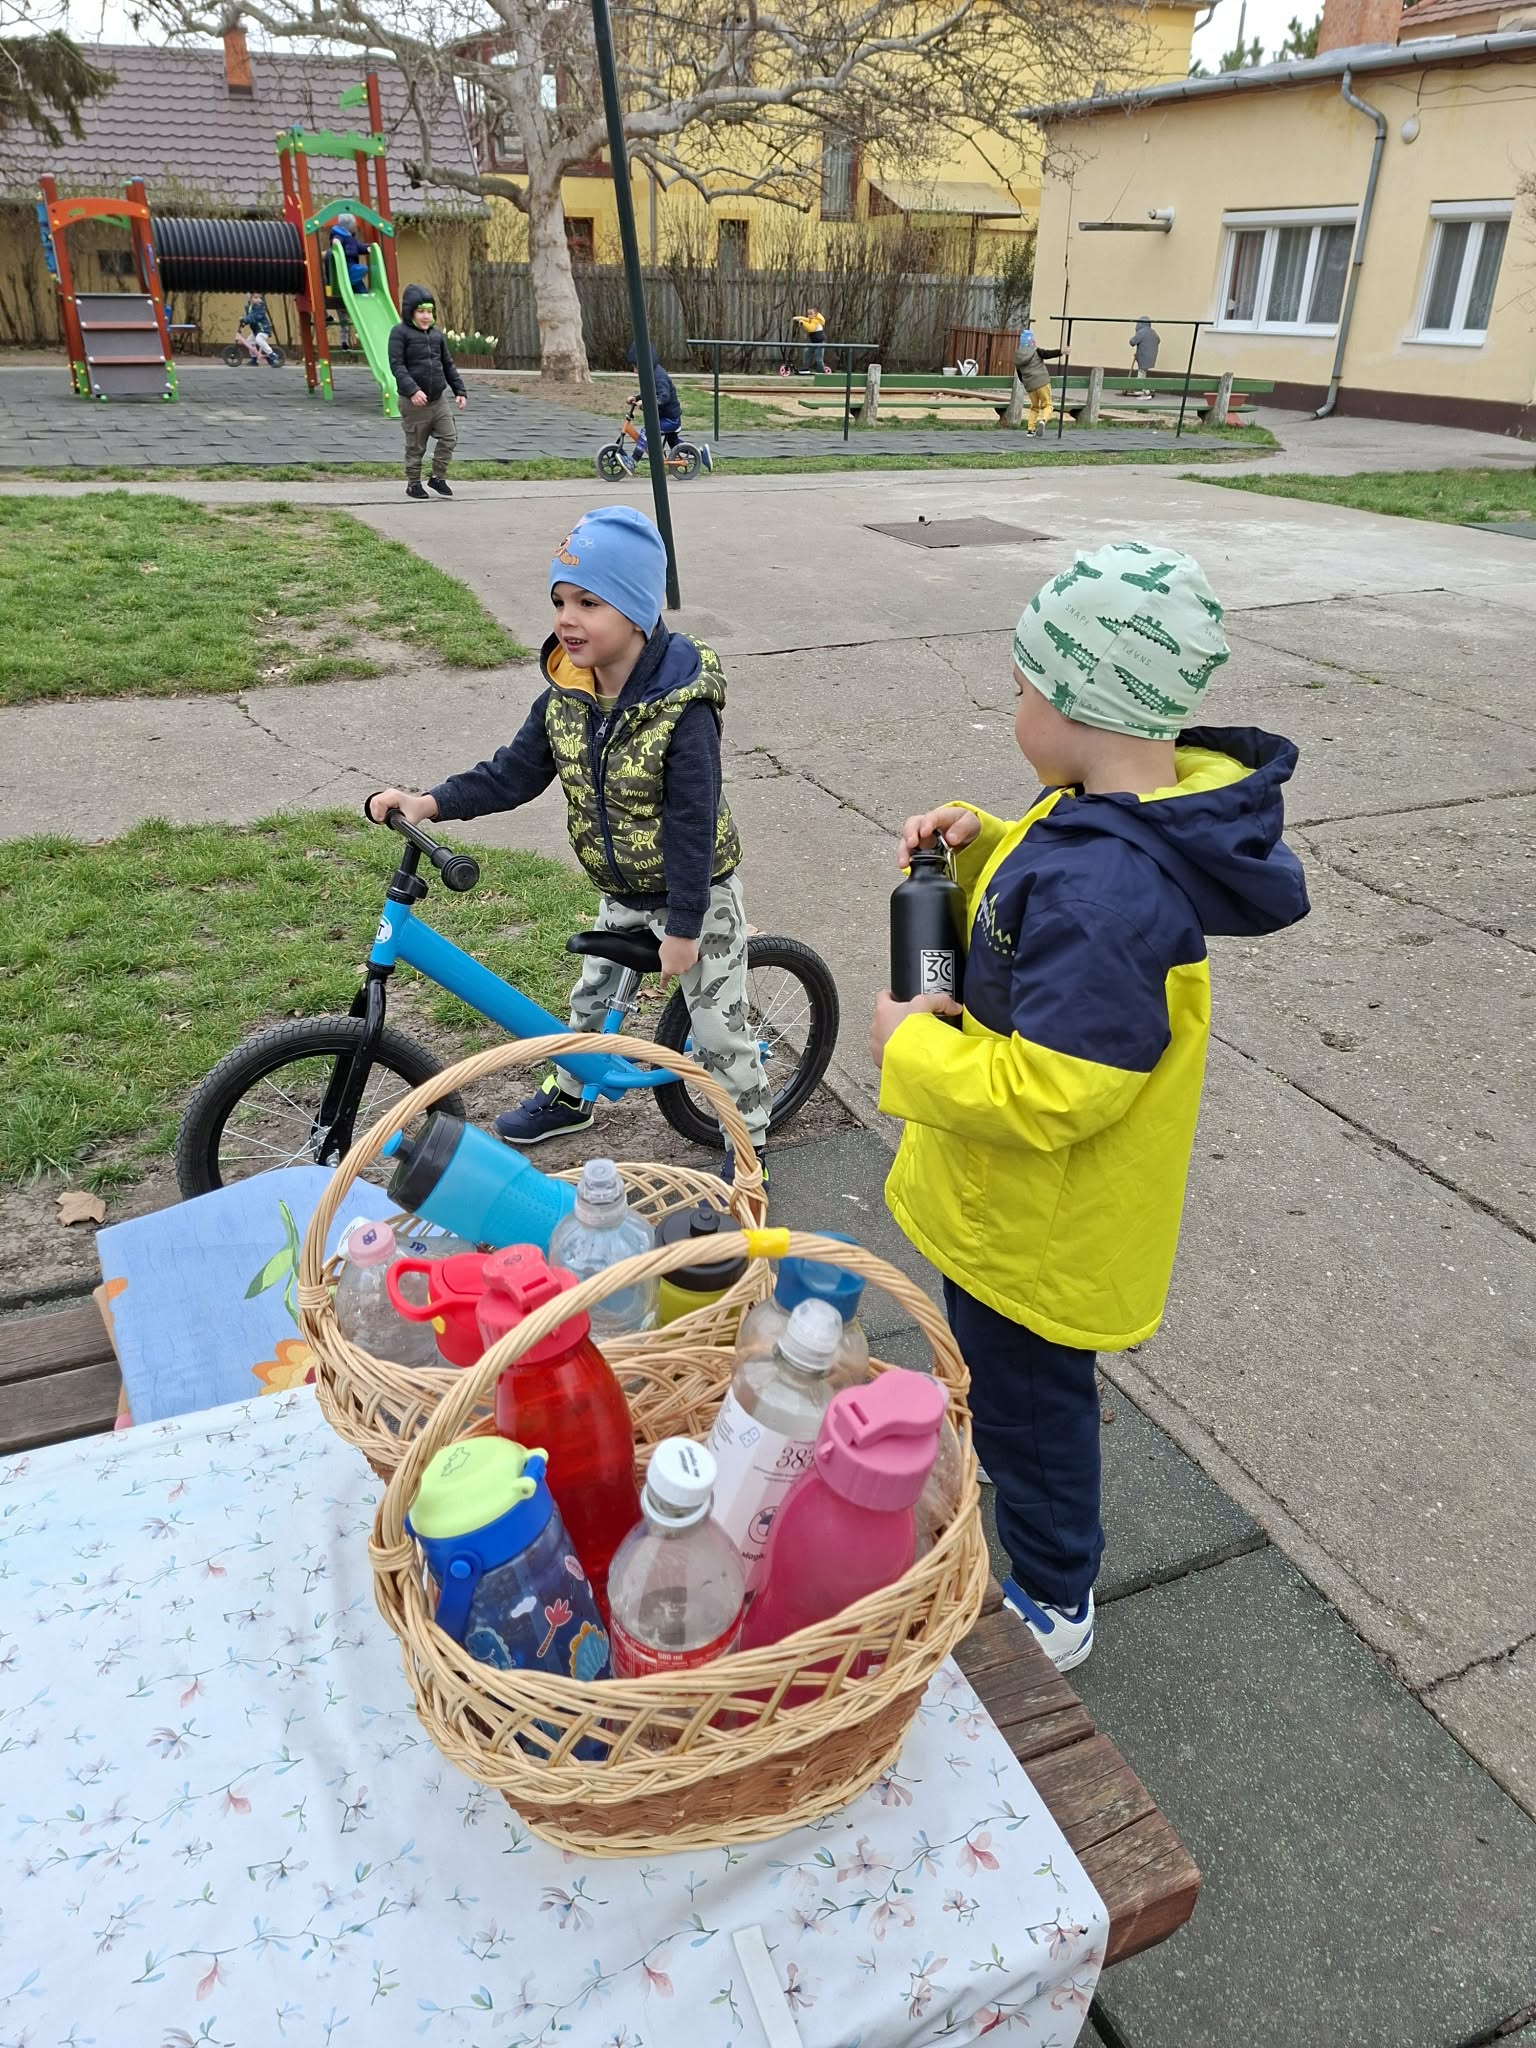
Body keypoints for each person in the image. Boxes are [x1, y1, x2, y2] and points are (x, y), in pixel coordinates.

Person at [868, 541, 1309, 1670]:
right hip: (1014, 1210)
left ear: (1074, 704)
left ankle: (1055, 1595)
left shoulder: (1110, 890)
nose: (1014, 707)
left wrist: (912, 1051)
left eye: (1022, 688)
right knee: (1010, 1386)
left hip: (1038, 1233)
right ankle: (1018, 1473)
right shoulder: (1102, 811)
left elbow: (1062, 1088)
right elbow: (1042, 901)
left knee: (1033, 1407)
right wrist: (982, 844)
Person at [364, 504, 773, 1176]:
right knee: (588, 1005)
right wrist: (428, 802)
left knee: (719, 1032)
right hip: (621, 889)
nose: (566, 619)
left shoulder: (682, 707)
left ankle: (749, 1146)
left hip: (695, 894)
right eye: (559, 601)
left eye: (588, 602)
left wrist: (685, 928)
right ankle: (572, 1096)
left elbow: (692, 822)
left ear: (636, 612)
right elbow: (513, 772)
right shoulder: (568, 694)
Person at [387, 286, 467, 501]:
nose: (426, 316)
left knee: (449, 437)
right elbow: (397, 366)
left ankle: (437, 477)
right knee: (416, 445)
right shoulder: (399, 333)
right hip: (414, 402)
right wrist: (413, 390)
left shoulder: (436, 335)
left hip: (437, 400)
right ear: (410, 312)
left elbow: (447, 364)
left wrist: (459, 390)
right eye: (421, 311)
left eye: (430, 311)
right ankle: (413, 483)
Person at [619, 345, 712, 474]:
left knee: (648, 431)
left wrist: (646, 403)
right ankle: (701, 454)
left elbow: (663, 397)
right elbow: (649, 393)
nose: (634, 371)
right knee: (675, 445)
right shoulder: (652, 374)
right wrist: (636, 398)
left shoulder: (659, 377)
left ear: (644, 365)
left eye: (635, 367)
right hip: (666, 416)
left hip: (670, 419)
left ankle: (633, 461)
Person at [1012, 327, 1062, 436]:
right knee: (1048, 405)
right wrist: (1061, 352)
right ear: (1032, 341)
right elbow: (1047, 354)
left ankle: (1030, 429)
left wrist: (1027, 383)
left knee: (1034, 407)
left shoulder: (1018, 357)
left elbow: (1020, 375)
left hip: (1030, 386)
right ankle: (1043, 421)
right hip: (1042, 382)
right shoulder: (1036, 351)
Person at [330, 212, 370, 293]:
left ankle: (362, 292)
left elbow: (359, 246)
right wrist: (336, 241)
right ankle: (347, 283)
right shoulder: (340, 235)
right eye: (353, 224)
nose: (355, 226)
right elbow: (337, 239)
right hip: (346, 266)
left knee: (360, 286)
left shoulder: (351, 238)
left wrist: (367, 248)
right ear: (348, 225)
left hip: (352, 265)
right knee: (362, 269)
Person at [236, 294, 278, 365]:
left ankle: (271, 354)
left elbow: (254, 317)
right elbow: (248, 317)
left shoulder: (260, 307)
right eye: (255, 297)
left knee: (259, 339)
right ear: (250, 298)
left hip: (263, 329)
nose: (257, 299)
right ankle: (254, 359)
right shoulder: (248, 307)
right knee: (249, 342)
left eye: (258, 297)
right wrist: (243, 323)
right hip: (256, 330)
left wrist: (244, 319)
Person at [1130, 316, 1161, 394]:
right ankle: (1145, 388)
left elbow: (1133, 342)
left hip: (1143, 356)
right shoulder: (1153, 332)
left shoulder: (1141, 332)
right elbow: (1158, 340)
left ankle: (1143, 389)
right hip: (1152, 356)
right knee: (1143, 372)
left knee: (1141, 372)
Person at [792, 306, 827, 374]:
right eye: (808, 314)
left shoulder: (816, 322)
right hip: (814, 342)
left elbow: (811, 328)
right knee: (806, 353)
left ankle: (822, 371)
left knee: (819, 358)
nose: (809, 316)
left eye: (811, 314)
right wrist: (797, 318)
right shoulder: (811, 320)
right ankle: (806, 368)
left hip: (820, 343)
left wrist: (802, 323)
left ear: (815, 315)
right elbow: (806, 319)